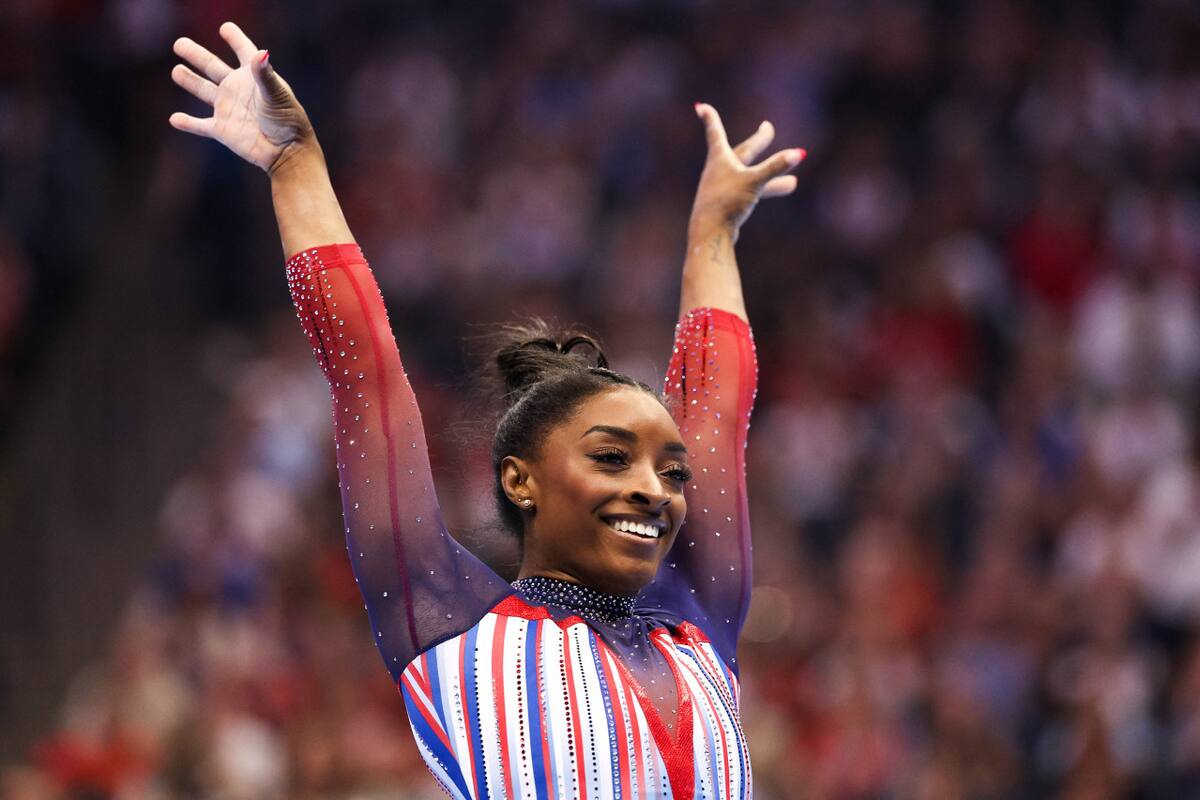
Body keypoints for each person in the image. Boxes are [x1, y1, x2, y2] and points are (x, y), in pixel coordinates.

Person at [170, 21, 804, 800]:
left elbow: (716, 414)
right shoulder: (453, 627)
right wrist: (295, 166)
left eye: (668, 472)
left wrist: (714, 233)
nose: (653, 488)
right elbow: (367, 378)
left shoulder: (700, 628)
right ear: (520, 480)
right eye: (612, 458)